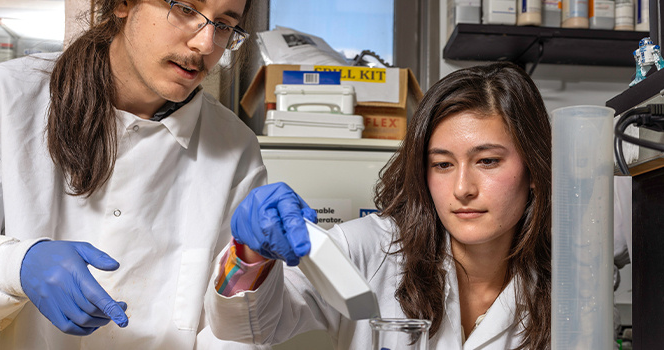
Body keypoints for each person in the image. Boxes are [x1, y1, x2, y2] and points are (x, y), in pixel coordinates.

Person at [0, 0, 274, 348]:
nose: (205, 45)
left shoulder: (234, 149)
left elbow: (231, 331)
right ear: (124, 4)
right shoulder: (6, 99)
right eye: (186, 9)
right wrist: (13, 268)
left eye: (223, 25)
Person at [205, 62, 552, 349]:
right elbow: (245, 327)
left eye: (488, 161)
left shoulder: (567, 281)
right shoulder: (369, 250)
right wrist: (249, 255)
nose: (462, 189)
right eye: (442, 164)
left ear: (533, 169)